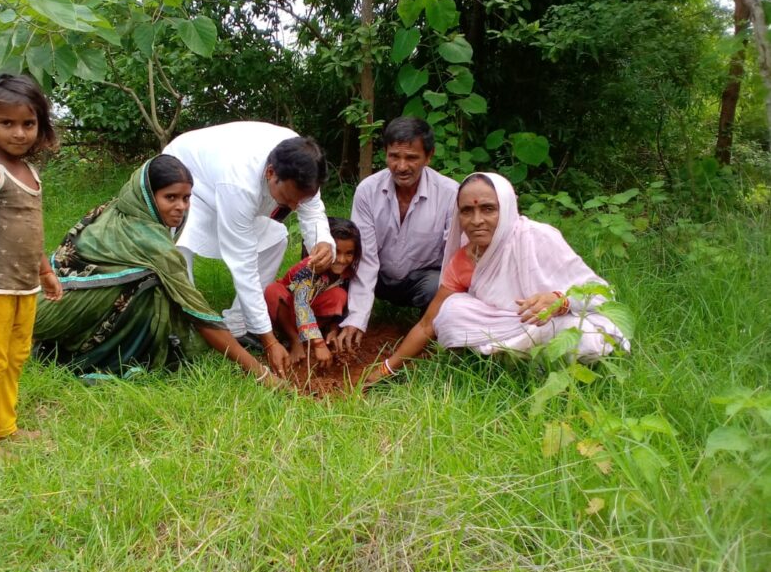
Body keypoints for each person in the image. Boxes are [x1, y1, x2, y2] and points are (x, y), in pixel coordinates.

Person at [33, 155, 283, 388]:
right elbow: (199, 314)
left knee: (150, 279)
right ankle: (101, 357)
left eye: (186, 198)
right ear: (148, 195)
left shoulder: (117, 208)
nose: (181, 207)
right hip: (56, 314)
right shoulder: (151, 243)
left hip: (43, 304)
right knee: (152, 282)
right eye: (170, 197)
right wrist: (260, 372)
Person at [361, 172, 630, 386]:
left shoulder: (536, 236)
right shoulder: (462, 261)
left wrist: (557, 301)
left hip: (555, 325)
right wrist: (387, 368)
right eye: (467, 211)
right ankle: (506, 366)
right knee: (452, 311)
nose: (477, 220)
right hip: (508, 327)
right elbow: (429, 323)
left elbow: (601, 294)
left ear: (507, 208)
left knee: (576, 336)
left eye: (489, 209)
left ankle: (534, 369)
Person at [164, 121, 336, 378]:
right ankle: (187, 329)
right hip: (190, 177)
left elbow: (312, 213)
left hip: (222, 178)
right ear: (270, 173)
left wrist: (323, 242)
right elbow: (242, 265)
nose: (293, 206)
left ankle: (237, 323)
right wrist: (270, 341)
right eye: (288, 198)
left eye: (299, 200)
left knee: (276, 237)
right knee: (179, 249)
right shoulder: (240, 181)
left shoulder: (305, 165)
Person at [0, 73, 63, 457]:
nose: (19, 133)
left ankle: (8, 425)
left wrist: (45, 271)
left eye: (28, 123)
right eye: (7, 123)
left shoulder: (31, 173)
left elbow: (29, 231)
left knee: (17, 355)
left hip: (25, 285)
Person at [332, 117, 458, 353]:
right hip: (378, 274)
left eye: (411, 157)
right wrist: (357, 319)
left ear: (428, 156)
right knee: (338, 267)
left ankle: (429, 332)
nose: (401, 166)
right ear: (385, 154)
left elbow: (455, 260)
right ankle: (332, 324)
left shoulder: (450, 194)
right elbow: (365, 257)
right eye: (394, 156)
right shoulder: (367, 191)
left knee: (437, 285)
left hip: (422, 280)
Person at [264, 217, 362, 369]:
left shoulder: (347, 274)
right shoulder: (311, 268)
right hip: (289, 310)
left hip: (312, 313)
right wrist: (319, 343)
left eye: (349, 253)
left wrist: (334, 329)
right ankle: (295, 340)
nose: (342, 260)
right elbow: (300, 302)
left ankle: (308, 338)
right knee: (273, 291)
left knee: (340, 296)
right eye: (337, 252)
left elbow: (345, 306)